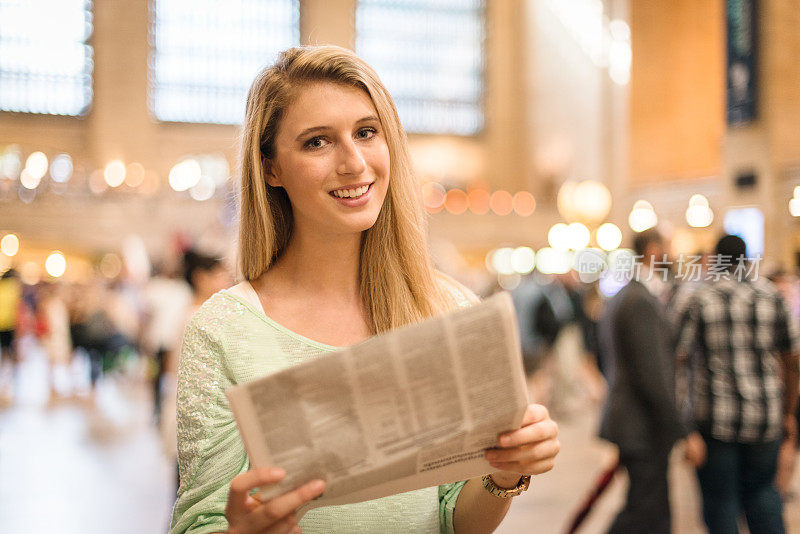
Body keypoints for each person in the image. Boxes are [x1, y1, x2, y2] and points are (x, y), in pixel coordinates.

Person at [169, 45, 560, 534]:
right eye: (317, 142)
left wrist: (505, 472)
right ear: (271, 168)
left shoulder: (448, 310)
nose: (354, 162)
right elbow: (198, 520)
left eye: (366, 132)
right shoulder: (223, 331)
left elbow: (454, 520)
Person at [676, 235, 800, 534]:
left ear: (717, 259)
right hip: (765, 418)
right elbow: (792, 361)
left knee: (721, 505)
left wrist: (685, 426)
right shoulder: (771, 295)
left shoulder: (700, 298)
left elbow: (679, 360)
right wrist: (788, 412)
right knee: (763, 497)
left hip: (716, 420)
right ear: (746, 258)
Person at [598, 229, 687, 534]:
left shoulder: (629, 294)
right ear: (652, 250)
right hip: (642, 424)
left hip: (636, 421)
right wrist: (678, 426)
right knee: (645, 511)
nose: (671, 254)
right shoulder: (639, 300)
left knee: (651, 508)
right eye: (667, 247)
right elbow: (653, 373)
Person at [0, 268, 22, 405]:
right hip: (8, 327)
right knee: (8, 356)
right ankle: (7, 384)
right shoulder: (14, 288)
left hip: (4, 326)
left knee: (5, 355)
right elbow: (17, 310)